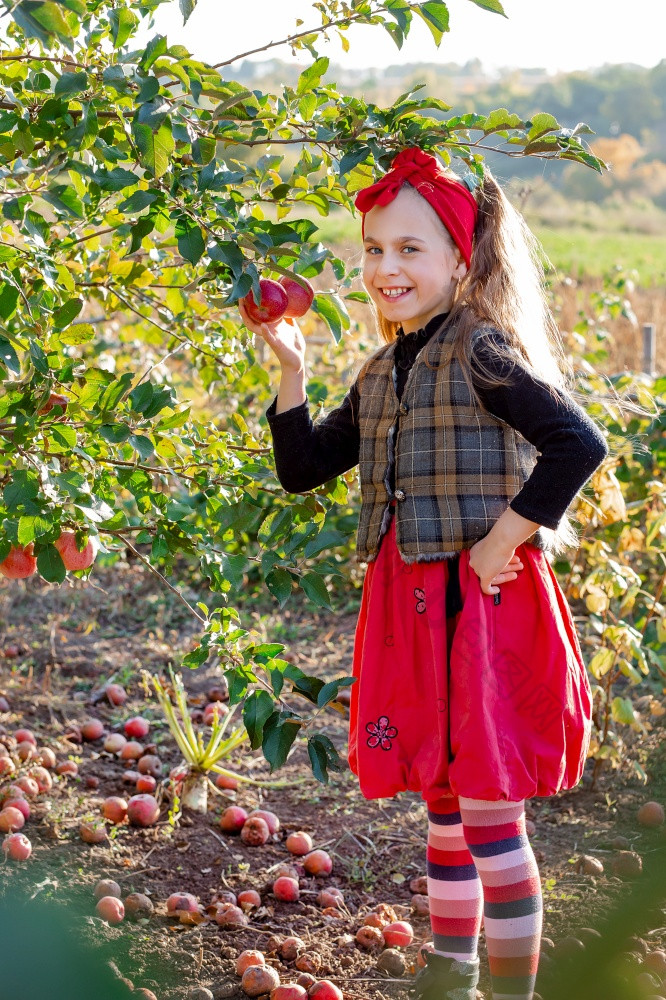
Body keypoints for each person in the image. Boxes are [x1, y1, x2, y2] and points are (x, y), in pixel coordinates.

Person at [242, 147, 609, 1000]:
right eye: (374, 249)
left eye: (410, 249)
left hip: (482, 609)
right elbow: (304, 468)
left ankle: (510, 992)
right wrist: (292, 371)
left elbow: (577, 443)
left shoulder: (481, 350)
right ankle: (454, 976)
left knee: (486, 808)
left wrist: (505, 538)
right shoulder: (383, 370)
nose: (386, 268)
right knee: (444, 804)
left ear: (459, 259)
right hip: (413, 607)